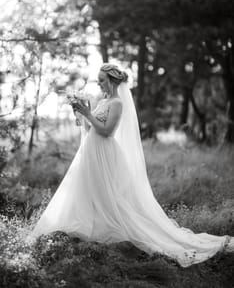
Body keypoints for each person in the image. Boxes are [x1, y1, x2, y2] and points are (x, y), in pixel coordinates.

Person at [32, 63, 234, 267]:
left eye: (102, 80)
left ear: (112, 80)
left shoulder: (117, 103)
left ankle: (118, 233)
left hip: (105, 152)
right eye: (99, 80)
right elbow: (89, 128)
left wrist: (88, 113)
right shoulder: (104, 101)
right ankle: (88, 228)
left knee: (108, 195)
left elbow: (106, 131)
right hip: (90, 152)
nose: (99, 83)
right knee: (89, 191)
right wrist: (81, 113)